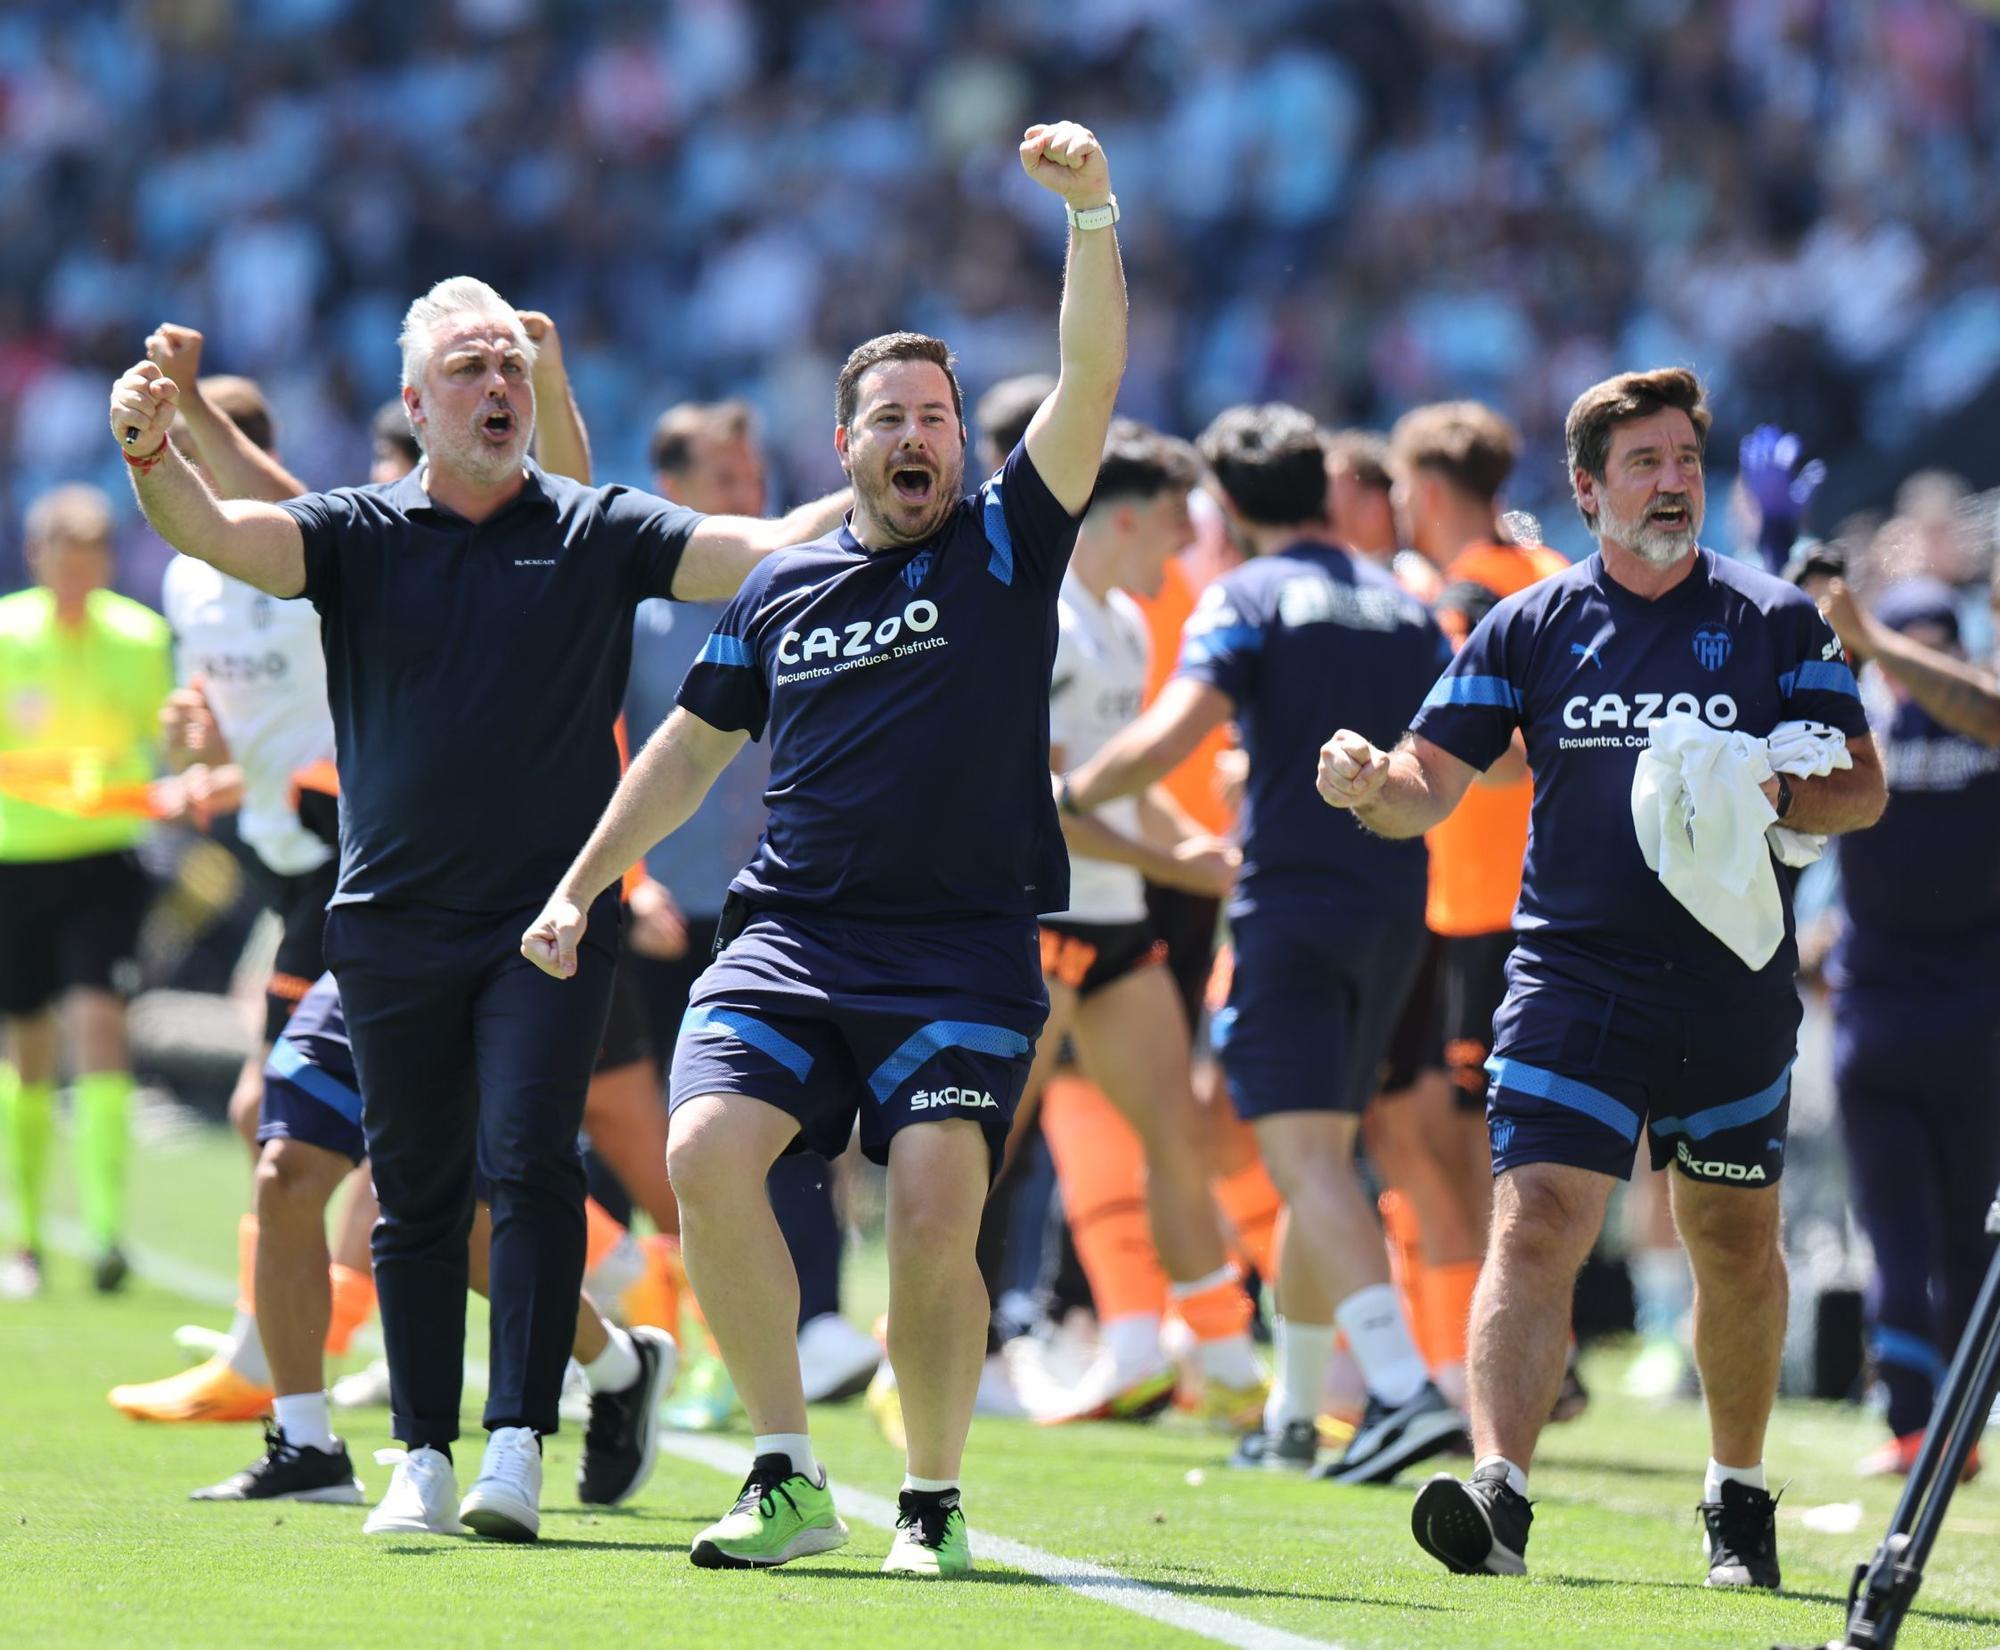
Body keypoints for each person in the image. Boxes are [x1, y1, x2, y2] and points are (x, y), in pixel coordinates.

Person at [109, 274, 846, 1541]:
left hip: (547, 918)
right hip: (388, 914)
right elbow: (216, 531)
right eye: (468, 368)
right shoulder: (356, 530)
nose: (496, 384)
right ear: (414, 401)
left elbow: (762, 546)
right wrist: (143, 448)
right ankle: (422, 1456)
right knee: (415, 1188)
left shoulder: (596, 525)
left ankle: (514, 1447)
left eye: (509, 364)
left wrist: (902, 480)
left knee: (529, 1164)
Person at [520, 119, 1126, 1577]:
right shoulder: (781, 585)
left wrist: (1093, 216)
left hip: (963, 945)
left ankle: (928, 1495)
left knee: (932, 1211)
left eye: (939, 415)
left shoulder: (1004, 541)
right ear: (841, 443)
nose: (919, 435)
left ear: (963, 440)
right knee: (703, 1149)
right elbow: (686, 748)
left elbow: (1093, 373)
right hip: (788, 933)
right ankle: (788, 1471)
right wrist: (579, 880)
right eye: (891, 417)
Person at [1314, 367, 1886, 1585]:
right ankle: (1499, 1497)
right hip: (1568, 977)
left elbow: (1864, 787)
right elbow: (1430, 778)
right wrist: (1369, 782)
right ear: (1586, 491)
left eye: (1684, 458)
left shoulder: (1778, 618)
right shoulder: (1526, 623)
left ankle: (1735, 1499)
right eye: (1644, 463)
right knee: (1535, 1225)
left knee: (1730, 1240)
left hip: (1730, 983)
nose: (1672, 481)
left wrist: (1778, 790)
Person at [1062, 402, 1466, 1483]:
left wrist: (1070, 787)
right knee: (1323, 1163)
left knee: (1297, 1159)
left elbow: (1176, 727)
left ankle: (1401, 1390)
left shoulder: (1244, 594)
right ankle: (1293, 1413)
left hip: (1288, 905)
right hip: (1395, 901)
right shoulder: (1401, 594)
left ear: (1229, 510)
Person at [103, 338, 358, 1422]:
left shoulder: (308, 552)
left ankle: (262, 1363)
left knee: (289, 1110)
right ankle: (626, 1316)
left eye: (220, 447)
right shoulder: (181, 571)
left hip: (351, 846)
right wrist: (197, 744)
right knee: (341, 1122)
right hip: (281, 853)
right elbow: (222, 716)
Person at [185, 973, 675, 1509]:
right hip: (371, 935)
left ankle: (611, 1364)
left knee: (435, 1201)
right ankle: (305, 1445)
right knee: (285, 1164)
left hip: (493, 936)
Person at [626, 400, 882, 1424]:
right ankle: (695, 1340)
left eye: (752, 477)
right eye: (726, 482)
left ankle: (814, 1325)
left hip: (776, 910)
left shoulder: (806, 591)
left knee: (799, 1131)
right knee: (664, 1138)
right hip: (659, 910)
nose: (750, 498)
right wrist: (621, 880)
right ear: (675, 494)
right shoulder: (636, 615)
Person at [1014, 419, 1263, 1425]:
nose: (1186, 542)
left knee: (1175, 1137)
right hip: (1040, 923)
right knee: (979, 1147)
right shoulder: (1056, 625)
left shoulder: (1118, 621)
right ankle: (918, 1360)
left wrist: (1193, 852)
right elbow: (1048, 803)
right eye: (1173, 521)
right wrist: (1177, 863)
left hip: (1112, 924)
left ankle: (1228, 1365)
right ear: (1122, 518)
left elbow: (1125, 781)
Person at [1374, 401, 1569, 1405]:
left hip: (1481, 907)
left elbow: (1496, 744)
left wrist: (1438, 760)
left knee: (1465, 1148)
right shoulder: (1544, 575)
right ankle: (1528, 1350)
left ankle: (1486, 1358)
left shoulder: (1465, 595)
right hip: (1552, 897)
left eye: (1404, 489)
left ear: (1433, 492)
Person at [1821, 576, 2000, 1479]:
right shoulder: (1983, 727)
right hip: (1974, 1023)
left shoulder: (1862, 743)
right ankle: (1957, 1433)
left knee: (1895, 1229)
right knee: (1966, 1233)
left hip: (1879, 1017)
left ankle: (1911, 1425)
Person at [0, 485, 172, 1298]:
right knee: (28, 1049)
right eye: (64, 561)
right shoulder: (6, 634)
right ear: (38, 558)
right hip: (17, 860)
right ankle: (24, 1237)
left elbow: (160, 742)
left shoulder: (140, 638)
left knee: (102, 1024)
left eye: (91, 561)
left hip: (106, 859)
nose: (77, 576)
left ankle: (106, 1234)